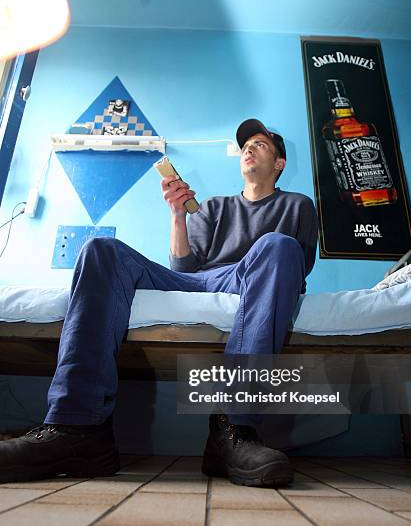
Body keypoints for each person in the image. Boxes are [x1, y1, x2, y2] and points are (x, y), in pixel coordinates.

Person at [0, 119, 318, 487]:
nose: (250, 148)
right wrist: (179, 215)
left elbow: (295, 267)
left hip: (245, 276)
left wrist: (262, 268)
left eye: (261, 145)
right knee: (101, 251)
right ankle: (77, 427)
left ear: (279, 164)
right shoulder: (213, 207)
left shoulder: (297, 205)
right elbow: (183, 267)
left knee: (278, 246)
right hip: (197, 279)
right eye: (246, 145)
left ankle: (235, 427)